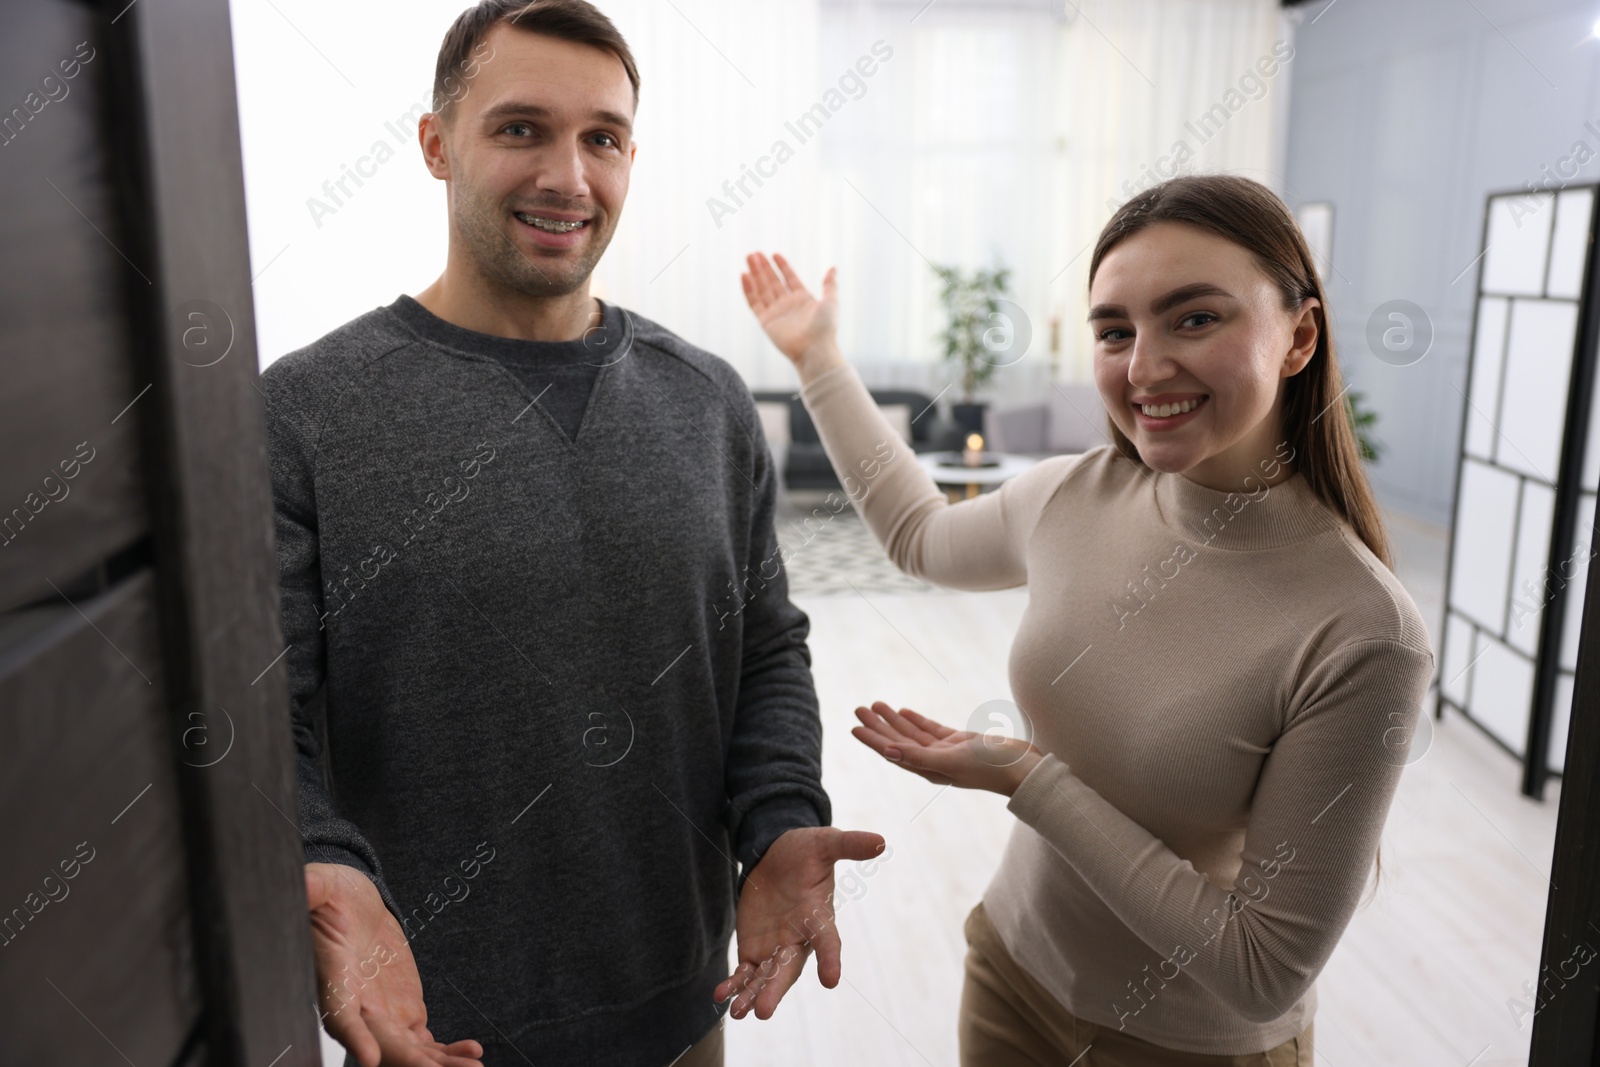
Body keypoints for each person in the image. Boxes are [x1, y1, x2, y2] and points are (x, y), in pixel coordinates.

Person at [263, 3, 884, 1065]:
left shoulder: (709, 402)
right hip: (423, 1025)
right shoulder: (304, 412)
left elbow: (765, 646)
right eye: (520, 130)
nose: (568, 175)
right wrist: (322, 859)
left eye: (602, 137)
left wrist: (781, 815)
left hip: (681, 1011)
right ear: (434, 143)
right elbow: (264, 709)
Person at [739, 173, 1435, 1066]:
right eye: (1116, 329)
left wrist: (1030, 779)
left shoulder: (1364, 631)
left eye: (1195, 318)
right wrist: (820, 361)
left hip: (1190, 1047)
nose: (1144, 367)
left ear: (1300, 335)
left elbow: (1264, 968)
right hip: (1010, 973)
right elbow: (918, 534)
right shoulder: (1078, 493)